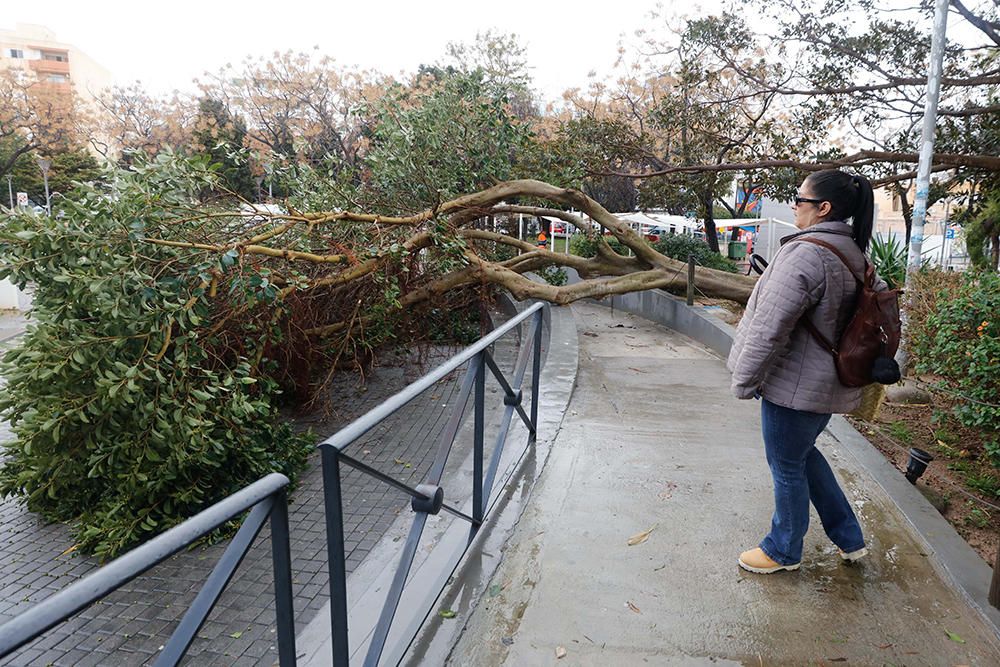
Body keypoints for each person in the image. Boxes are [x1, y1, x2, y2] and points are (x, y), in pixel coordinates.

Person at [727, 169, 885, 574]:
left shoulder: (807, 253)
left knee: (786, 466)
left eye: (800, 199)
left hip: (794, 386)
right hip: (825, 383)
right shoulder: (854, 253)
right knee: (802, 457)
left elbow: (769, 325)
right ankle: (849, 537)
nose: (795, 205)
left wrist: (744, 378)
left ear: (823, 208)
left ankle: (783, 550)